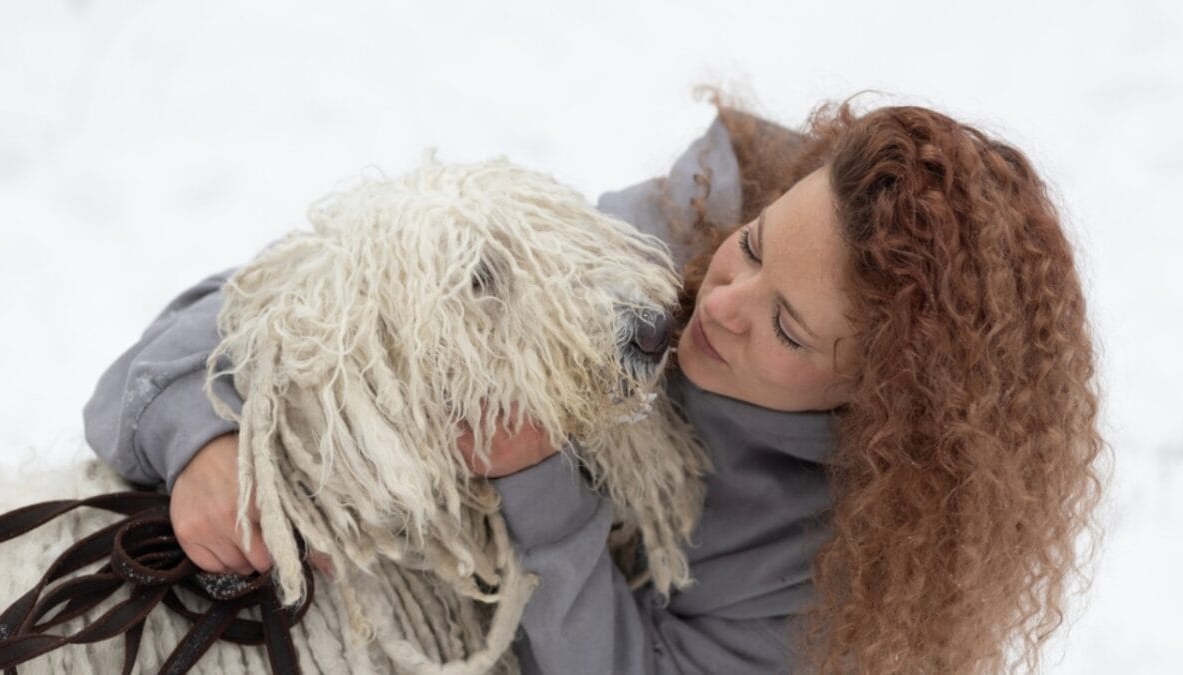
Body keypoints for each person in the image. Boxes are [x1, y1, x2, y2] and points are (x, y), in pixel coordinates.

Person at [83, 97, 1104, 674]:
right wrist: (201, 438)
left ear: (883, 406)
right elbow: (300, 302)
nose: (716, 302)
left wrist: (539, 489)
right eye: (751, 248)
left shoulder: (835, 571)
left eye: (786, 325)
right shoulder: (671, 242)